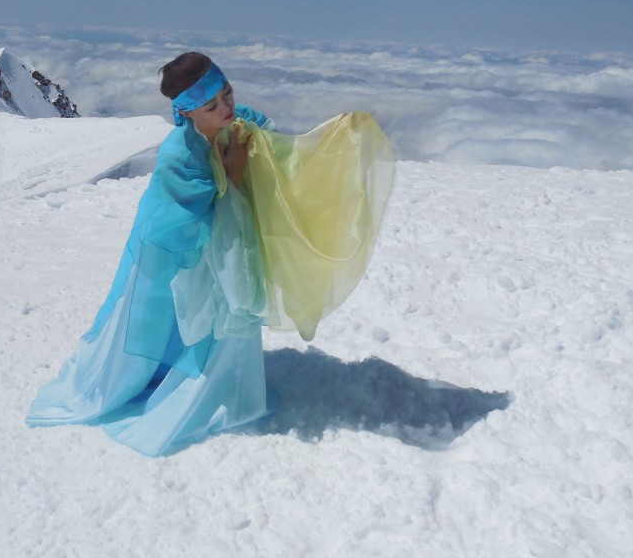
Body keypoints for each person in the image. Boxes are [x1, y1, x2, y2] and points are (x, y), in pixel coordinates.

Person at [26, 53, 394, 456]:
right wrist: (233, 171)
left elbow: (279, 152)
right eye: (212, 105)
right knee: (163, 317)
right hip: (173, 249)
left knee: (208, 318)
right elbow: (188, 222)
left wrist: (334, 136)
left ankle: (221, 379)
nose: (227, 107)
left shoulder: (235, 121)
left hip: (224, 248)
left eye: (227, 93)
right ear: (186, 111)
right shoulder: (179, 158)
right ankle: (173, 379)